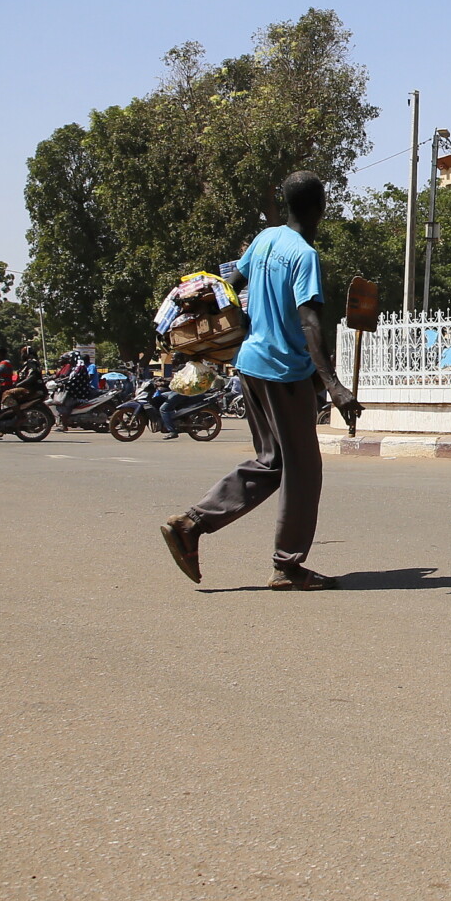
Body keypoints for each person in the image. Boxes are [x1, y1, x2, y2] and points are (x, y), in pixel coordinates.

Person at [159, 172, 362, 591]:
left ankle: (191, 524)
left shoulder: (265, 239)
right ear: (320, 205)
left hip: (249, 364)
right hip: (283, 370)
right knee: (303, 472)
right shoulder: (304, 255)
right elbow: (309, 322)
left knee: (272, 462)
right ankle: (287, 567)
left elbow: (231, 285)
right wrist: (335, 385)